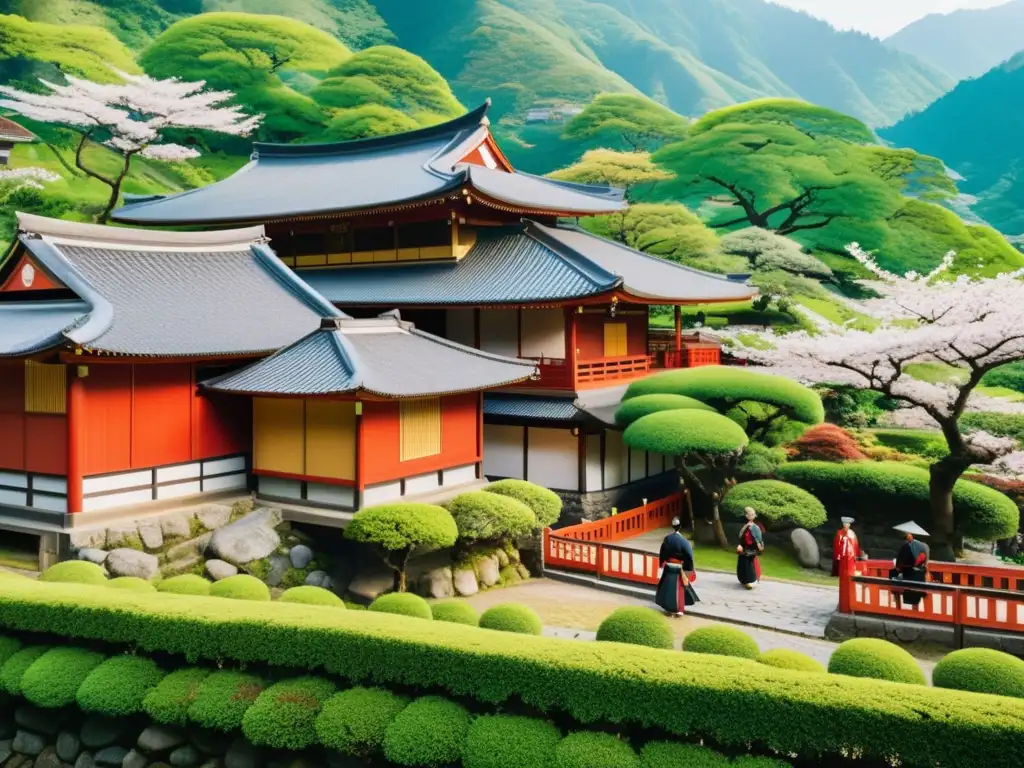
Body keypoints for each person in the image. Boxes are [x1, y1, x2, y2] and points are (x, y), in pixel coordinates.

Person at [655, 517, 699, 617]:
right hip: (679, 567)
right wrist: (688, 568)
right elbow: (689, 555)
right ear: (680, 527)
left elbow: (662, 551)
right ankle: (679, 610)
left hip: (668, 566)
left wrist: (662, 562)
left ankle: (668, 608)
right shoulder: (683, 541)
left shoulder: (667, 539)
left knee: (667, 587)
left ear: (673, 526)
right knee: (680, 588)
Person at [889, 521, 930, 607]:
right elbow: (926, 563)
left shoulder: (906, 547)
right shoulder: (925, 546)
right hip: (920, 575)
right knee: (916, 597)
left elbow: (899, 565)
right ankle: (916, 609)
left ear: (909, 535)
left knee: (893, 576)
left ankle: (897, 606)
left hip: (909, 575)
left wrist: (898, 567)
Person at [736, 507, 764, 589]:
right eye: (749, 514)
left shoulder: (756, 527)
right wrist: (740, 545)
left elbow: (759, 539)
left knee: (749, 562)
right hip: (744, 547)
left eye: (753, 514)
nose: (751, 516)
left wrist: (758, 547)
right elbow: (741, 536)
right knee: (742, 562)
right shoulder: (744, 525)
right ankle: (743, 580)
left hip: (752, 548)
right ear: (746, 515)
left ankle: (751, 580)